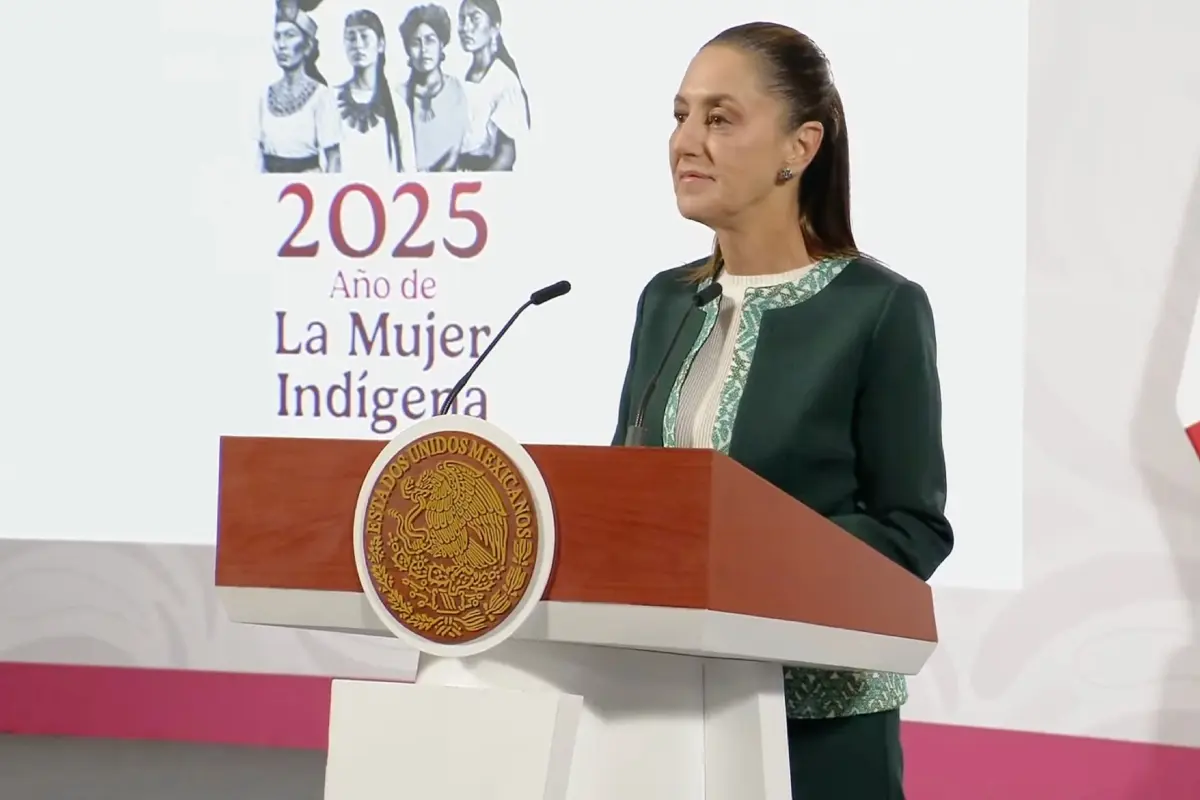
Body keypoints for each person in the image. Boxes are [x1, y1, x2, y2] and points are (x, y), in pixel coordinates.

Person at [610, 22, 954, 799]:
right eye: (680, 116)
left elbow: (912, 527)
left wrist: (755, 560)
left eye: (720, 118)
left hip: (820, 724)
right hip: (667, 711)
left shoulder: (878, 309)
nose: (686, 141)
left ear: (800, 147)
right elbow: (625, 497)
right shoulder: (666, 302)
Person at [258, 0, 342, 173]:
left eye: (289, 35)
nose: (282, 45)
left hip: (307, 184)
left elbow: (334, 159)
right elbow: (258, 155)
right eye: (277, 36)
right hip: (270, 185)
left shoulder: (321, 96)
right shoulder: (264, 95)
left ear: (307, 46)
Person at [336, 9, 415, 173]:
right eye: (351, 38)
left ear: (381, 44)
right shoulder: (330, 100)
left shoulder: (397, 106)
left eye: (364, 37)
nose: (358, 45)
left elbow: (408, 169)